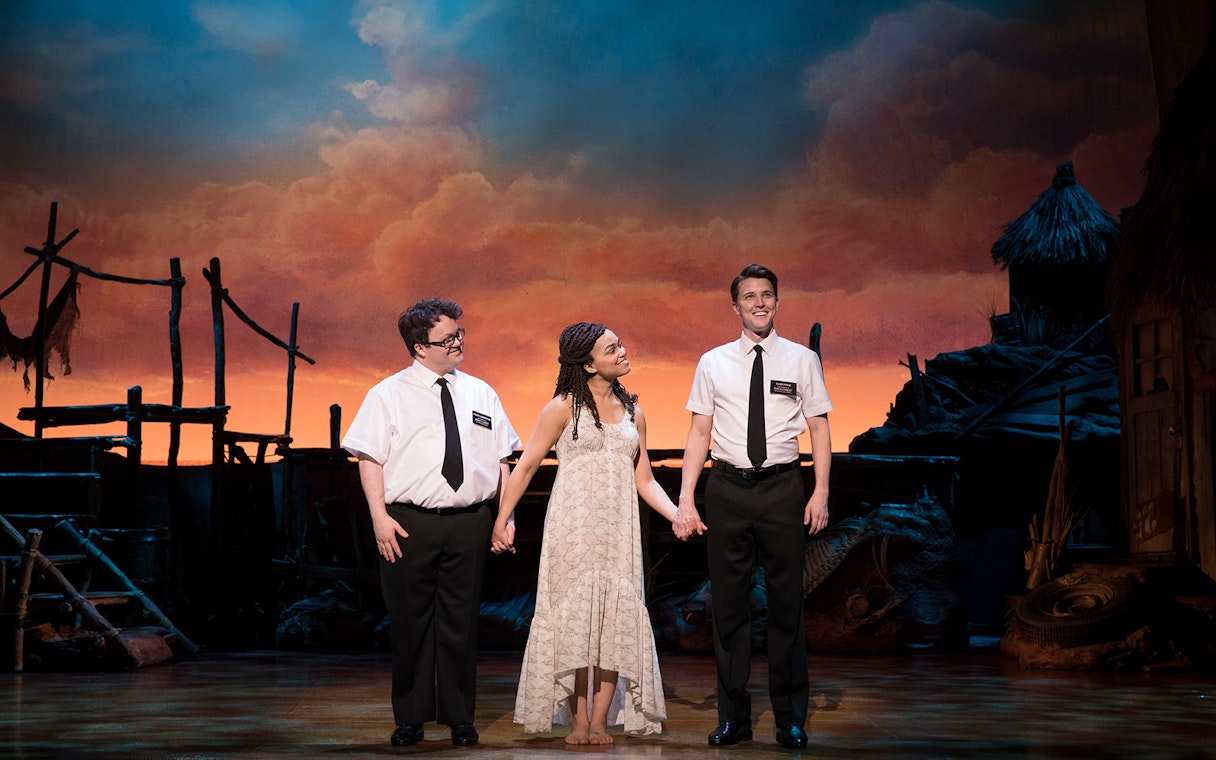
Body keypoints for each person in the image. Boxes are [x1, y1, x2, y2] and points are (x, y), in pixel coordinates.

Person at [490, 322, 704, 745]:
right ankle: (578, 721)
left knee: (615, 622)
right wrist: (502, 518)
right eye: (611, 348)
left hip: (618, 532)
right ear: (587, 363)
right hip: (572, 527)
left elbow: (644, 480)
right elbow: (528, 464)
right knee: (575, 620)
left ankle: (601, 720)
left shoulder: (634, 414)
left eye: (620, 344)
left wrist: (678, 514)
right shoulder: (562, 408)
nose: (623, 351)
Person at [342, 298, 520, 748]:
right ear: (420, 347)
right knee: (410, 622)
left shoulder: (482, 392)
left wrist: (505, 517)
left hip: (470, 522)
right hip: (408, 523)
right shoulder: (387, 394)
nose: (459, 342)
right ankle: (411, 718)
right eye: (449, 338)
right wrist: (379, 517)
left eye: (460, 333)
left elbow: (502, 461)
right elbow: (369, 458)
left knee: (462, 622)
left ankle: (460, 717)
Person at [672, 264, 832, 750]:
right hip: (727, 489)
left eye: (767, 295)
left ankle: (789, 718)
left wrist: (820, 491)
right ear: (735, 306)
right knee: (729, 606)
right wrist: (685, 499)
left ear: (777, 302)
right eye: (749, 296)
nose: (759, 303)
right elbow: (699, 433)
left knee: (787, 605)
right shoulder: (713, 362)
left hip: (783, 489)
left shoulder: (802, 360)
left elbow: (820, 429)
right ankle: (733, 718)